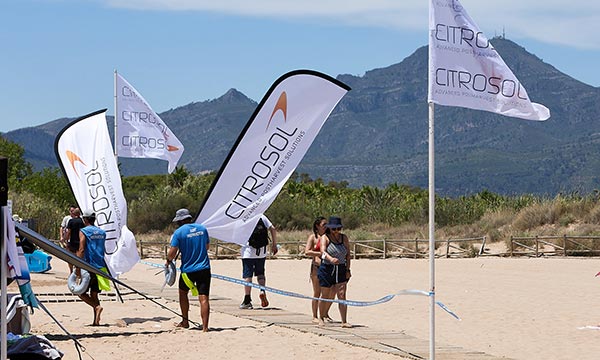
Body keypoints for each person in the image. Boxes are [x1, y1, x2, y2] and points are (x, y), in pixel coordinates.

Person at [165, 208, 211, 332]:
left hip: (188, 270)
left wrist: (168, 261)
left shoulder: (179, 233)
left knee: (183, 293)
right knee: (204, 298)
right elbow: (207, 247)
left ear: (180, 221)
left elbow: (172, 253)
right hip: (204, 268)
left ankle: (185, 321)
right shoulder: (202, 229)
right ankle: (205, 327)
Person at [77, 209, 109, 326]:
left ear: (85, 219)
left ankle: (96, 307)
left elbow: (81, 248)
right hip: (100, 266)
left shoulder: (84, 231)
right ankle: (96, 321)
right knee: (94, 294)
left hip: (89, 265)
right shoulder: (101, 232)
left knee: (81, 293)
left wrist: (77, 266)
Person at [318, 216, 352, 328]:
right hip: (327, 269)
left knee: (342, 294)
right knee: (325, 294)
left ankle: (344, 321)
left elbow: (348, 255)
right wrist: (330, 258)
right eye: (334, 229)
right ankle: (321, 317)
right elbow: (322, 252)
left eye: (338, 229)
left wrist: (347, 269)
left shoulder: (344, 238)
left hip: (341, 268)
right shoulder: (325, 238)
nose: (336, 232)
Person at [239, 214, 278, 309]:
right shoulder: (261, 216)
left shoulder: (244, 216)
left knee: (248, 275)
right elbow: (272, 228)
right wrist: (274, 244)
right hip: (262, 251)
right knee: (260, 274)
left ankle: (247, 300)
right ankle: (262, 290)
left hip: (248, 251)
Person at [304, 216, 333, 323]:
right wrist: (320, 253)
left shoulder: (329, 236)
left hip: (328, 267)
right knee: (317, 292)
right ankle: (315, 315)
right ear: (317, 226)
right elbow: (307, 252)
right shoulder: (313, 237)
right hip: (316, 267)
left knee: (330, 293)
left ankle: (325, 313)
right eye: (323, 225)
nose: (326, 227)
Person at [64, 208, 84, 272]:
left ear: (74, 214)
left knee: (70, 258)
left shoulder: (71, 221)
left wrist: (65, 239)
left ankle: (71, 271)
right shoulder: (82, 222)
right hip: (80, 242)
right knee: (79, 259)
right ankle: (78, 272)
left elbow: (69, 232)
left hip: (72, 242)